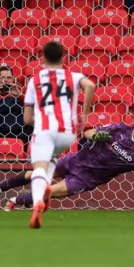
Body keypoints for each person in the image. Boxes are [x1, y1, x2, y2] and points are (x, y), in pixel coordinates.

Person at [0, 110, 134, 210]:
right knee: (35, 174)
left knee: (49, 192)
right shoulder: (119, 128)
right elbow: (88, 132)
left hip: (88, 178)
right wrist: (95, 135)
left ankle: (14, 202)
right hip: (75, 160)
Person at [23, 42, 95, 229]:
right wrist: (85, 114)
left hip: (45, 130)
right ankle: (46, 188)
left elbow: (27, 118)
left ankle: (38, 201)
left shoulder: (35, 80)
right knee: (51, 158)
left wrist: (39, 120)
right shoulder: (73, 76)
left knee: (39, 166)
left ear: (42, 58)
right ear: (64, 57)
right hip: (67, 134)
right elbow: (91, 85)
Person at [0, 66, 31, 149]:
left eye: (8, 77)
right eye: (3, 77)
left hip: (20, 132)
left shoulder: (21, 91)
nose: (6, 80)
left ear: (13, 78)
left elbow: (31, 110)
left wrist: (20, 96)